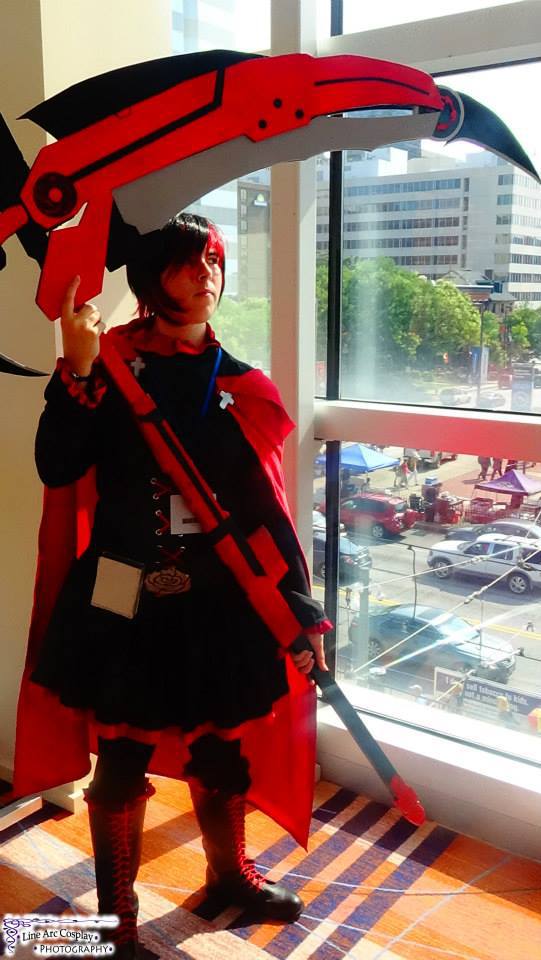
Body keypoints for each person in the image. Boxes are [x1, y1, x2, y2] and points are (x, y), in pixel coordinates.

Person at [14, 214, 330, 955]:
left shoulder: (240, 384)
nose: (205, 275)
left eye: (213, 261)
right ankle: (116, 921)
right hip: (121, 589)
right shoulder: (108, 366)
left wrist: (299, 611)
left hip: (216, 598)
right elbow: (57, 466)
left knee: (221, 748)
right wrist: (76, 369)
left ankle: (229, 876)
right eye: (188, 263)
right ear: (150, 278)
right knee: (120, 760)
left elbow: (264, 510)